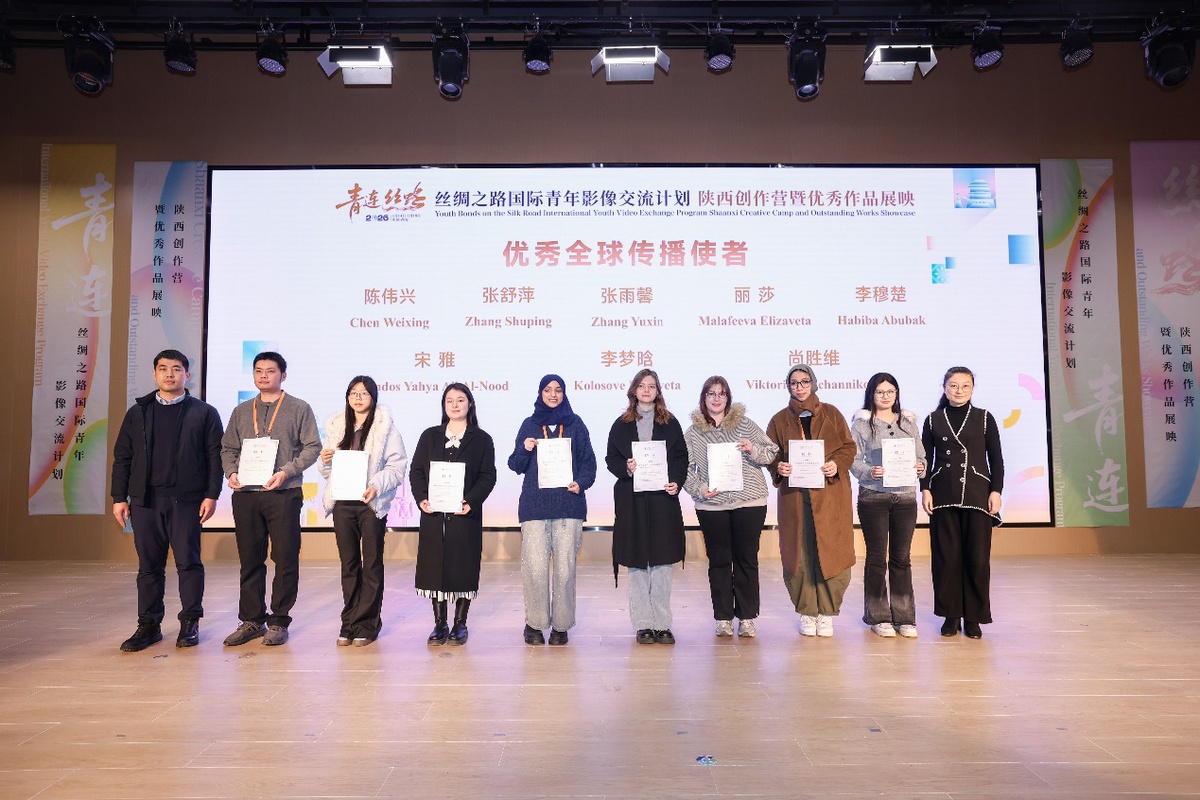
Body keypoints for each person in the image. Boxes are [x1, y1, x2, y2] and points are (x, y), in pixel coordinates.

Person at [111, 349, 224, 652]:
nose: (169, 374)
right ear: (154, 374)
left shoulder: (203, 412)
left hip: (186, 501)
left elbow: (215, 458)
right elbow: (123, 457)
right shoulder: (138, 412)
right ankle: (148, 626)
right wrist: (119, 497)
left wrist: (212, 494)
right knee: (149, 566)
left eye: (176, 369)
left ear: (187, 374)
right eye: (163, 369)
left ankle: (190, 622)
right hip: (145, 501)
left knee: (188, 563)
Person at [220, 351, 321, 647]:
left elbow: (313, 446)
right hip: (246, 494)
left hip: (283, 493)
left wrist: (286, 472)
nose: (264, 375)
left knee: (285, 557)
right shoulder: (241, 411)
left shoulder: (299, 408)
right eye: (259, 371)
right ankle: (251, 620)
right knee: (250, 558)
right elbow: (227, 448)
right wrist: (231, 472)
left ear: (283, 375)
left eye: (271, 371)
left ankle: (278, 620)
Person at [683, 375, 778, 639]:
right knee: (719, 561)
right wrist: (701, 489)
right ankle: (723, 617)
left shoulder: (744, 424)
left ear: (728, 398)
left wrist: (752, 449)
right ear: (703, 398)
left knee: (746, 559)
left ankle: (747, 617)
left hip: (749, 501)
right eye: (711, 394)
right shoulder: (693, 432)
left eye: (721, 393)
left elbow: (771, 451)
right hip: (712, 505)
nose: (716, 398)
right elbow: (684, 469)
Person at [766, 364, 857, 638]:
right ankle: (807, 611)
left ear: (813, 383)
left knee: (830, 550)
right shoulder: (779, 420)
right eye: (794, 382)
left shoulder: (832, 414)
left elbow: (848, 447)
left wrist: (836, 464)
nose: (800, 387)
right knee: (800, 553)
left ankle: (826, 612)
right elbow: (770, 454)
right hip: (795, 498)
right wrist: (778, 467)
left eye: (805, 381)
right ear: (788, 386)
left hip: (830, 496)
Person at [508, 375, 597, 646]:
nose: (553, 395)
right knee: (535, 569)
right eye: (548, 390)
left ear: (564, 394)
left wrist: (581, 483)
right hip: (534, 508)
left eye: (558, 390)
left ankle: (561, 626)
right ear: (540, 393)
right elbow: (515, 464)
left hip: (568, 506)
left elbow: (589, 463)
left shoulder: (575, 424)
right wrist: (524, 449)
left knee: (565, 571)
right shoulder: (530, 424)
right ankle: (534, 624)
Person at [317, 376, 407, 646]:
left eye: (364, 393)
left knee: (371, 564)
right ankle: (349, 623)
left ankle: (367, 624)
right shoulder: (337, 427)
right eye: (353, 393)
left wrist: (376, 486)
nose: (358, 398)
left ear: (373, 397)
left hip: (370, 504)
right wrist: (325, 461)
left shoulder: (385, 428)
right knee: (349, 565)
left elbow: (397, 467)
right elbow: (327, 472)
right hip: (342, 503)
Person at [409, 383, 497, 646]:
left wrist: (471, 501)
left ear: (470, 404)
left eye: (460, 400)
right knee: (434, 566)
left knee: (463, 566)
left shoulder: (482, 439)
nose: (455, 405)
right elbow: (416, 472)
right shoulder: (429, 436)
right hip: (434, 516)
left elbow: (487, 476)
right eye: (449, 400)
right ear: (443, 405)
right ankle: (440, 624)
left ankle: (460, 623)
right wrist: (421, 498)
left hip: (465, 515)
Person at [605, 368, 688, 645]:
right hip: (633, 500)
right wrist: (626, 467)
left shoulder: (671, 423)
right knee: (638, 563)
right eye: (641, 386)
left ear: (658, 391)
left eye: (651, 386)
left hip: (663, 499)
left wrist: (676, 481)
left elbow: (681, 458)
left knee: (663, 562)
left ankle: (662, 624)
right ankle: (643, 624)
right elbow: (611, 459)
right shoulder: (621, 424)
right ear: (634, 390)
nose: (646, 390)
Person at [921, 366, 1004, 640]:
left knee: (977, 559)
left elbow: (996, 459)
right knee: (946, 559)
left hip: (977, 495)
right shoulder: (933, 420)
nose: (959, 390)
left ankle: (973, 618)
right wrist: (925, 489)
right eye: (954, 385)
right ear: (945, 388)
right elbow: (925, 460)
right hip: (943, 495)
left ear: (972, 389)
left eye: (965, 386)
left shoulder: (984, 418)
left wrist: (996, 491)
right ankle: (951, 616)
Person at [850, 372, 927, 639]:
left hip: (905, 497)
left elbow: (921, 455)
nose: (885, 396)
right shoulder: (862, 424)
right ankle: (879, 616)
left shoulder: (908, 422)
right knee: (876, 558)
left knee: (901, 558)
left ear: (896, 393)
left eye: (890, 391)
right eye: (880, 392)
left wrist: (920, 467)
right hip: (873, 497)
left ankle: (904, 618)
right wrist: (869, 472)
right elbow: (853, 460)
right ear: (871, 394)